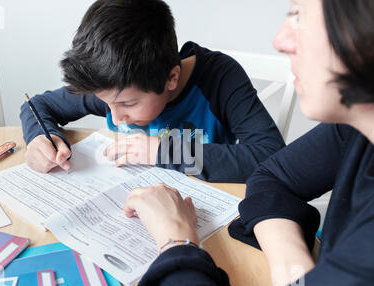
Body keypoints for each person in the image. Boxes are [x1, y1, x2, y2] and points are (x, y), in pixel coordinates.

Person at [125, 0, 374, 286]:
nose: (279, 40)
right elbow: (272, 176)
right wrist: (296, 273)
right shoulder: (356, 127)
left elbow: (264, 154)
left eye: (299, 15)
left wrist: (177, 241)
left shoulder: (218, 73)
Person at [19, 0, 285, 183]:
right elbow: (37, 106)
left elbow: (270, 155)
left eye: (129, 104)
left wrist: (163, 151)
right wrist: (41, 138)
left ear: (171, 78)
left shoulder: (219, 78)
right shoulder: (112, 85)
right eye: (106, 103)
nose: (116, 116)